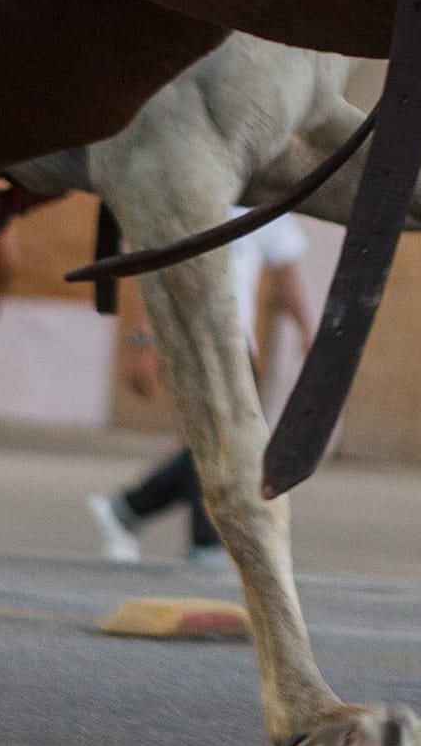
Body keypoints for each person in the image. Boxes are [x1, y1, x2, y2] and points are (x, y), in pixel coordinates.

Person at [86, 209, 315, 565]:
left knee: (226, 442)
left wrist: (307, 330)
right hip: (189, 338)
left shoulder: (262, 205)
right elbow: (145, 267)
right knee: (220, 440)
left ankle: (130, 509)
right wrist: (141, 342)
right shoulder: (185, 190)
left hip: (238, 345)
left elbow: (286, 276)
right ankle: (204, 540)